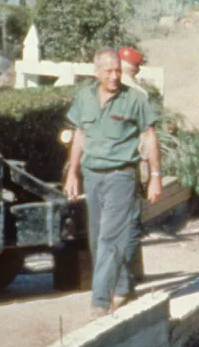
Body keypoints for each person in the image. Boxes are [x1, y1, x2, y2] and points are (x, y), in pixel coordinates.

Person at [64, 49, 161, 315]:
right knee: (97, 239)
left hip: (122, 176)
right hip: (93, 177)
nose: (115, 76)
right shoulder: (84, 98)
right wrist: (72, 174)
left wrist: (155, 177)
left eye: (118, 70)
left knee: (110, 238)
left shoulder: (135, 100)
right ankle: (122, 287)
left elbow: (150, 137)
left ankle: (100, 301)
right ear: (97, 73)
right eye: (109, 71)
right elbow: (79, 136)